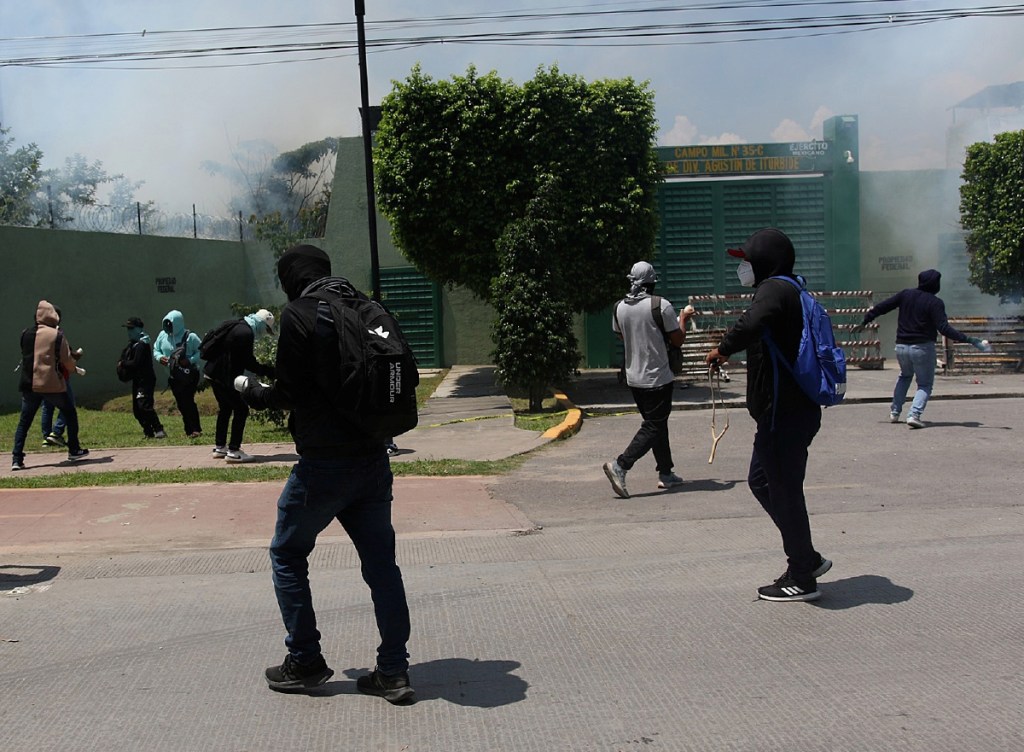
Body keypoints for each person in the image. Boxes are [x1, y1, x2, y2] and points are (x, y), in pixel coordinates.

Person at [237, 243, 413, 702]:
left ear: (292, 277)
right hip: (374, 460)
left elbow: (288, 393)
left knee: (287, 553)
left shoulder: (300, 314)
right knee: (381, 566)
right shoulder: (367, 307)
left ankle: (305, 660)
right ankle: (393, 671)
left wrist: (251, 390)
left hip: (323, 467)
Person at [705, 228, 831, 602]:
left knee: (785, 491)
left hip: (785, 414)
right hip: (785, 414)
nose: (743, 268)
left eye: (746, 260)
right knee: (762, 482)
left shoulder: (775, 290)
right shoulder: (790, 289)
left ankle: (802, 576)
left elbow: (752, 323)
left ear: (764, 261)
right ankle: (806, 557)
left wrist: (723, 348)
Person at [602, 260, 693, 499]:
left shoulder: (619, 307)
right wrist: (684, 317)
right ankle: (621, 465)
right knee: (654, 425)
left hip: (634, 377)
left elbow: (622, 337)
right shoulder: (660, 306)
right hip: (657, 378)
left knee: (656, 424)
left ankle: (666, 472)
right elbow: (677, 340)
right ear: (652, 282)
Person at [858, 269, 989, 429]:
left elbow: (883, 307)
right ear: (935, 284)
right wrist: (969, 339)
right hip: (922, 348)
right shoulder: (935, 302)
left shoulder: (906, 294)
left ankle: (895, 412)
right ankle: (914, 414)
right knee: (925, 384)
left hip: (901, 347)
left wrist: (866, 320)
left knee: (904, 376)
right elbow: (944, 328)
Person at [12, 300, 89, 470]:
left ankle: (16, 459)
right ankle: (74, 449)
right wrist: (74, 368)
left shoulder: (25, 333)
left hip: (28, 384)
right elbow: (67, 361)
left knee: (24, 422)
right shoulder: (57, 335)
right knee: (69, 412)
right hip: (50, 383)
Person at [202, 309, 276, 463]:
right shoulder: (246, 333)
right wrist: (268, 371)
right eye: (267, 329)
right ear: (262, 323)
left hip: (212, 372)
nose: (265, 333)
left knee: (225, 408)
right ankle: (234, 451)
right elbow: (248, 362)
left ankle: (220, 447)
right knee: (241, 409)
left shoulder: (237, 325)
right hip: (224, 377)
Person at [153, 309, 203, 438]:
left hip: (189, 374)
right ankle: (189, 429)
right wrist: (160, 358)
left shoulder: (190, 337)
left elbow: (202, 351)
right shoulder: (162, 336)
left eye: (171, 323)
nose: (169, 326)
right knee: (181, 402)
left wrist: (190, 360)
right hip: (174, 375)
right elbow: (156, 349)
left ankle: (195, 428)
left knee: (188, 400)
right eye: (167, 323)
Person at [39, 306, 82, 448]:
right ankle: (56, 432)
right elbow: (67, 356)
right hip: (59, 375)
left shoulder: (38, 334)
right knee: (68, 405)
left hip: (43, 376)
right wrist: (75, 360)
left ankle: (47, 437)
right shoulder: (57, 334)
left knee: (47, 406)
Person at [117, 317, 166, 439]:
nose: (129, 331)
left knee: (144, 406)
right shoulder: (132, 345)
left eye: (132, 329)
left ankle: (159, 429)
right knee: (137, 410)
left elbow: (136, 363)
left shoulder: (142, 344)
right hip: (137, 380)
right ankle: (148, 431)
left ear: (139, 329)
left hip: (146, 380)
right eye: (128, 329)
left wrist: (123, 363)